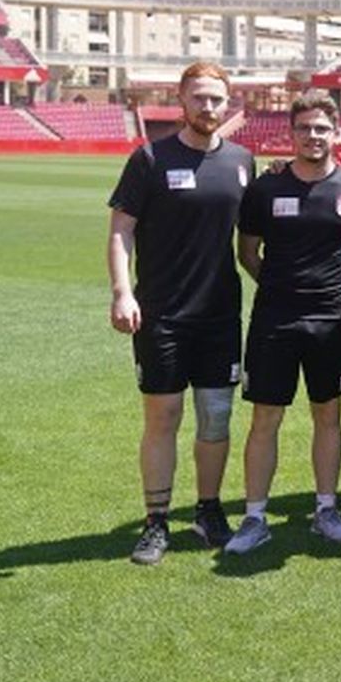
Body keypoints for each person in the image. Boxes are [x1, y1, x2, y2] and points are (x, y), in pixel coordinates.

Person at [107, 61, 255, 564]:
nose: (208, 107)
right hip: (162, 315)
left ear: (227, 103)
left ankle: (208, 511)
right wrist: (122, 292)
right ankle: (156, 522)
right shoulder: (150, 159)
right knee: (163, 416)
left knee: (216, 417)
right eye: (199, 98)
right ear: (182, 100)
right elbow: (120, 230)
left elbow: (252, 236)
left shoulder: (242, 161)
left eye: (216, 99)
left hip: (219, 315)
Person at [226, 90, 341, 552]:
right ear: (291, 133)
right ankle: (254, 517)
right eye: (305, 128)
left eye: (321, 128)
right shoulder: (265, 188)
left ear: (336, 131)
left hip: (333, 319)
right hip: (274, 319)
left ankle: (326, 510)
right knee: (265, 417)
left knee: (327, 414)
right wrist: (280, 287)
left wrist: (328, 289)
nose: (313, 135)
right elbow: (247, 252)